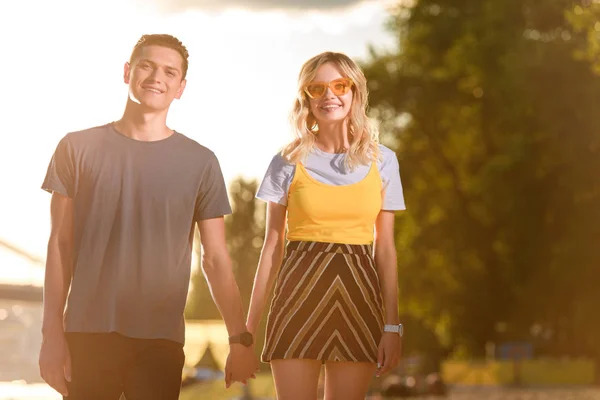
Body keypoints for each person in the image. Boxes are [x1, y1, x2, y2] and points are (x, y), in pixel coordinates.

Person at [38, 34, 258, 400]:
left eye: (169, 72)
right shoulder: (75, 148)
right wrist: (51, 336)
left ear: (180, 88)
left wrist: (239, 339)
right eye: (147, 65)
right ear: (128, 72)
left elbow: (216, 259)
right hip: (87, 334)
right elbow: (59, 246)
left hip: (160, 340)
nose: (157, 77)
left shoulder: (201, 162)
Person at [246, 51, 406, 400]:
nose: (329, 95)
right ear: (306, 98)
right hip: (295, 299)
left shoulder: (385, 162)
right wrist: (246, 331)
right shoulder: (286, 161)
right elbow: (271, 248)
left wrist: (392, 326)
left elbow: (386, 249)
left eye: (339, 85)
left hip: (359, 299)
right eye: (317, 89)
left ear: (355, 92)